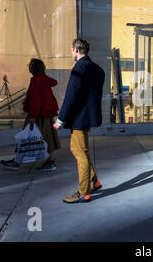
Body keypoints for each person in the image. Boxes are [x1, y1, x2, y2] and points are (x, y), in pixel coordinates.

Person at [53, 38, 105, 204]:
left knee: (78, 152)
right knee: (84, 150)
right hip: (89, 117)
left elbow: (71, 96)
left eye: (71, 49)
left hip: (79, 118)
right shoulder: (98, 69)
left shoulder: (79, 68)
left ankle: (84, 192)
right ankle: (94, 182)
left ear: (76, 49)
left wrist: (60, 120)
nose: (71, 52)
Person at [1, 59, 61, 171]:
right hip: (46, 114)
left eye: (30, 66)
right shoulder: (45, 80)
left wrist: (32, 117)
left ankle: (17, 162)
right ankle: (50, 162)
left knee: (25, 138)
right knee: (49, 139)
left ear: (33, 69)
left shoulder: (36, 81)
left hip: (37, 115)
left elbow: (35, 100)